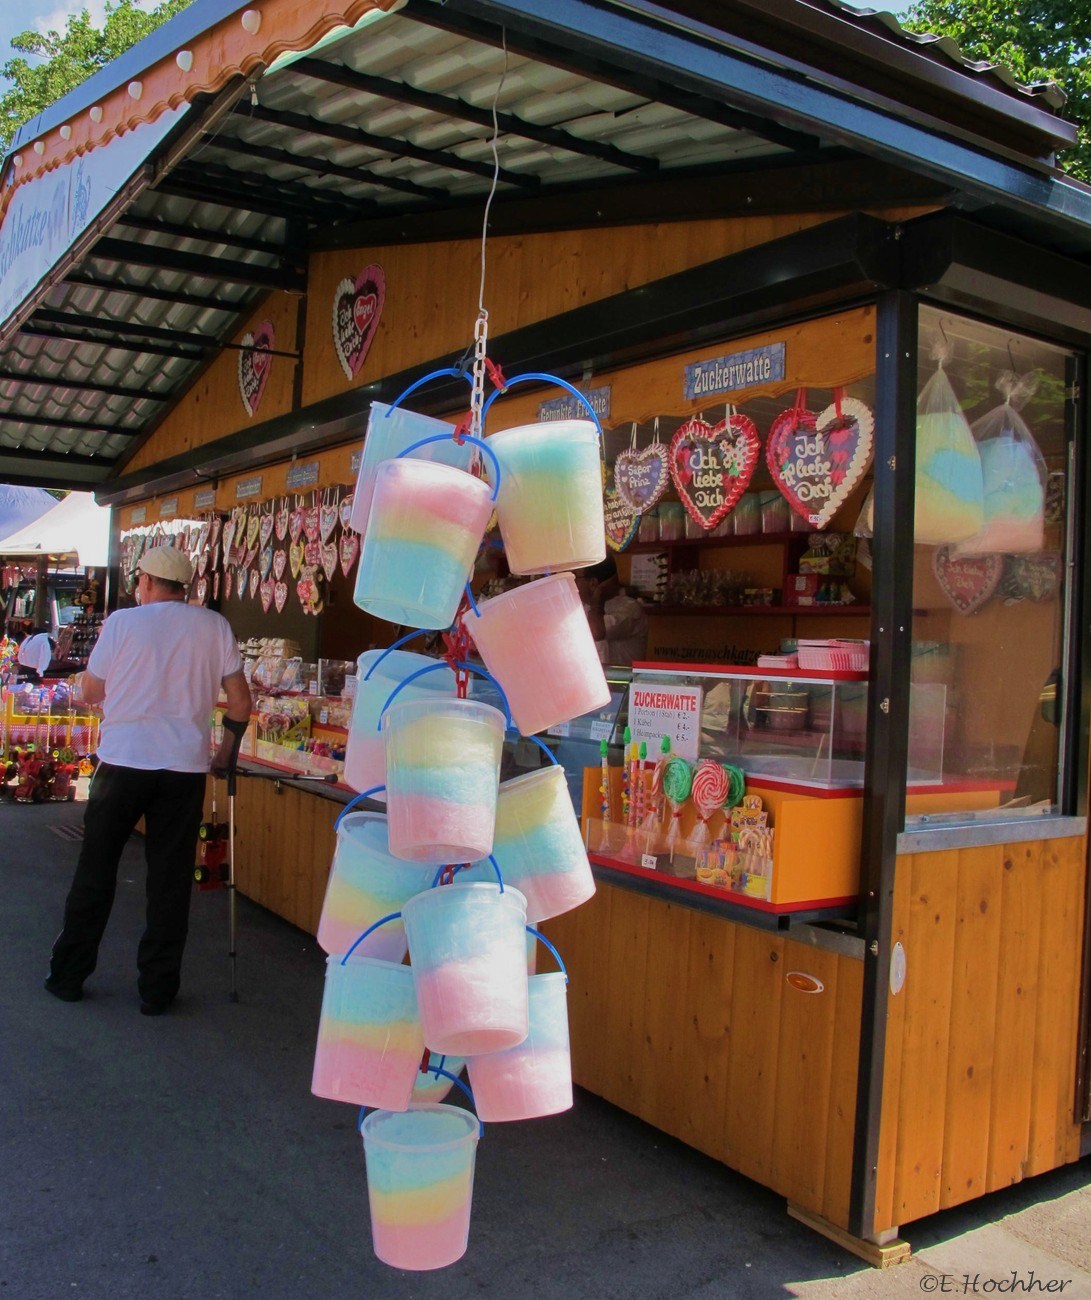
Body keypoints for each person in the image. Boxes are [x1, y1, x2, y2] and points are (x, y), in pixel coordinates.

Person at [44, 545, 252, 1015]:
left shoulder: (123, 623)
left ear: (149, 582)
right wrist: (225, 751)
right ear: (184, 588)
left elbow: (93, 690)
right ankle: (157, 990)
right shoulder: (214, 626)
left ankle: (68, 976)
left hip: (123, 762)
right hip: (183, 769)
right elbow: (240, 702)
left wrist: (91, 694)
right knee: (170, 879)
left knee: (96, 869)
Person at [576, 555, 647, 666]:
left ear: (593, 583)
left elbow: (597, 632)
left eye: (575, 577)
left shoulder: (630, 608)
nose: (572, 583)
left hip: (622, 682)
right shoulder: (581, 608)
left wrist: (597, 598)